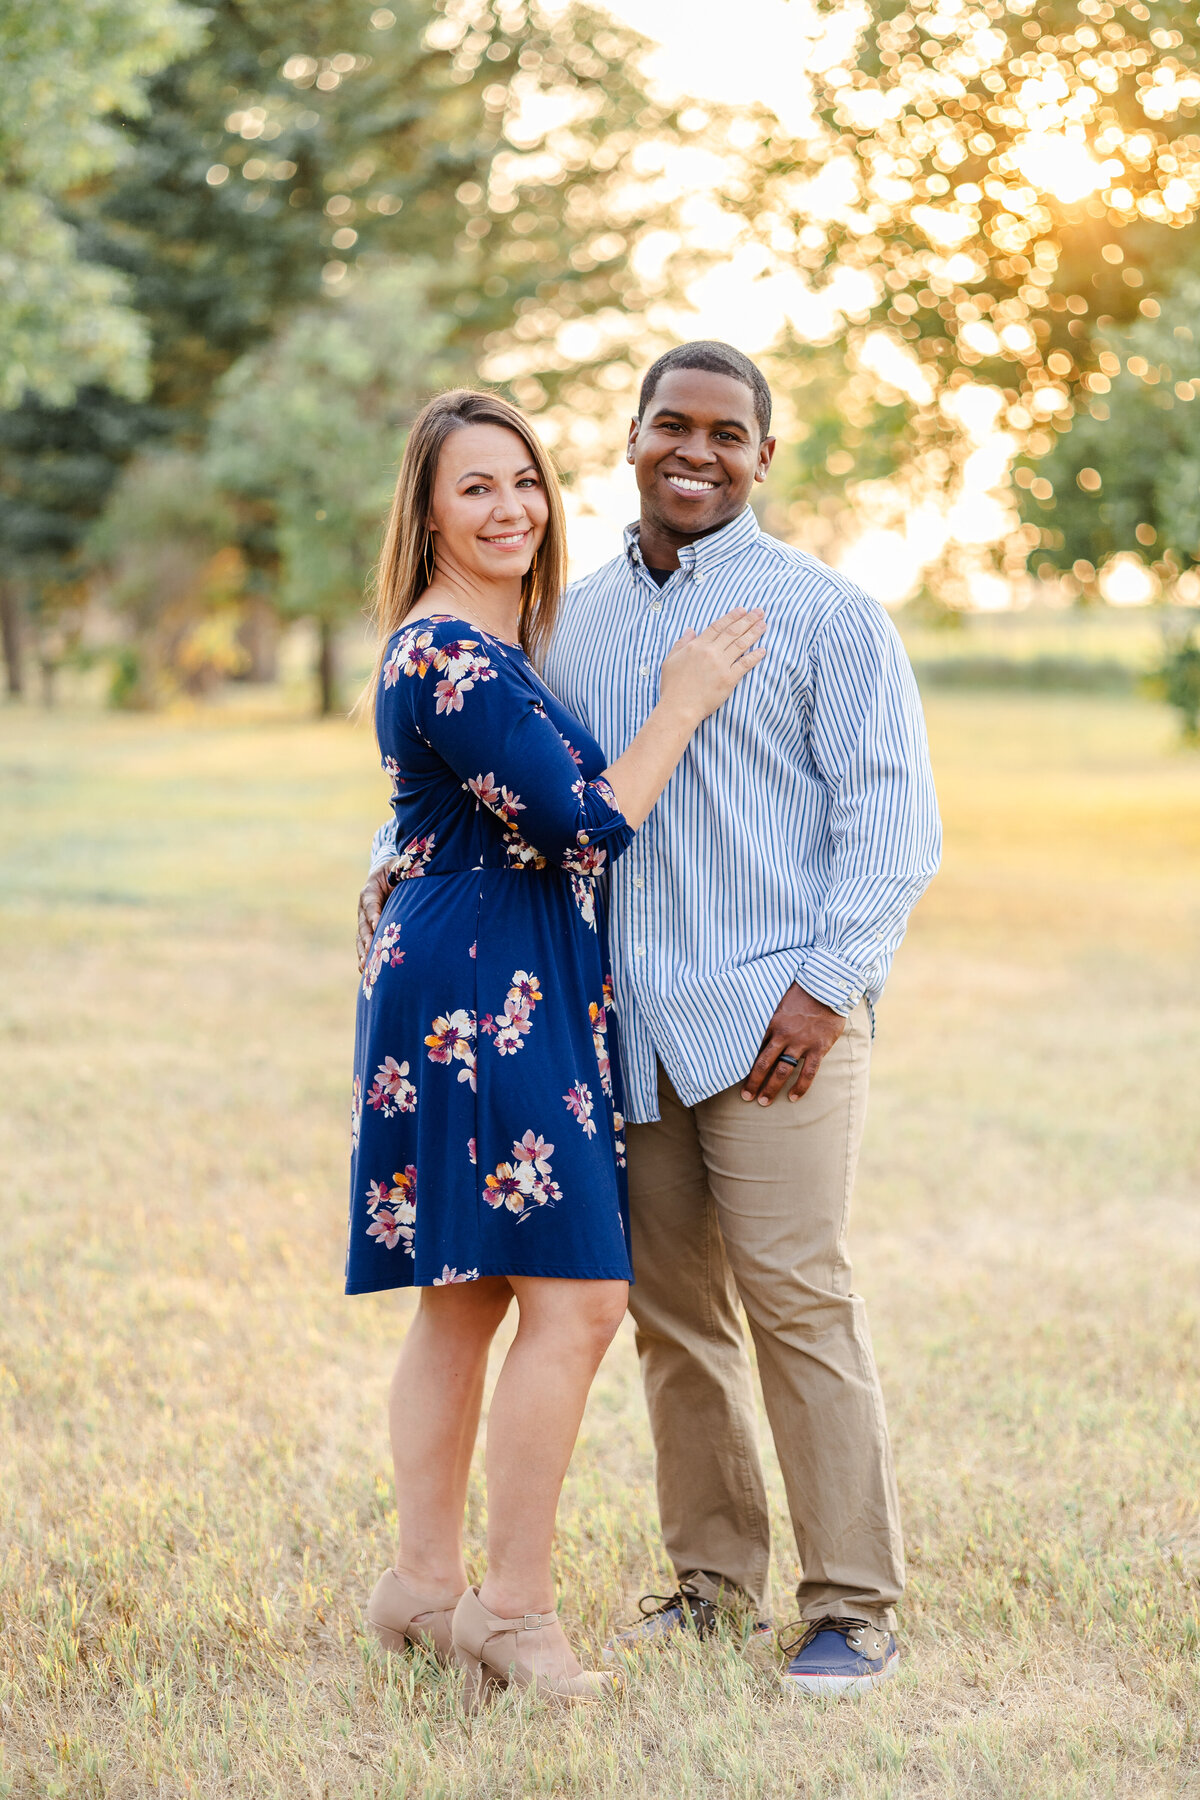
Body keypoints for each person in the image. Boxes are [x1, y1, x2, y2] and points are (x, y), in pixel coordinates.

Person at [360, 344, 941, 1699]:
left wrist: (829, 985)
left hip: (774, 1016)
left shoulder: (827, 614)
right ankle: (711, 1581)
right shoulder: (567, 621)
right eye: (670, 424)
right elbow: (487, 777)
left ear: (763, 456)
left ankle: (851, 1600)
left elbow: (892, 831)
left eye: (727, 432)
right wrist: (386, 867)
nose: (698, 450)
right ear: (627, 440)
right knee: (671, 1319)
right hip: (616, 1027)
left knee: (798, 1300)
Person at [349, 387, 765, 1705]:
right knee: (579, 1303)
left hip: (477, 965)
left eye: (524, 481)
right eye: (475, 487)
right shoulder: (451, 657)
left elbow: (468, 810)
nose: (510, 506)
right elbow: (583, 827)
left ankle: (421, 1587)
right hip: (485, 986)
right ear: (423, 510)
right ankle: (512, 1616)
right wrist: (684, 698)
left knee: (467, 1295)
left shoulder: (475, 643)